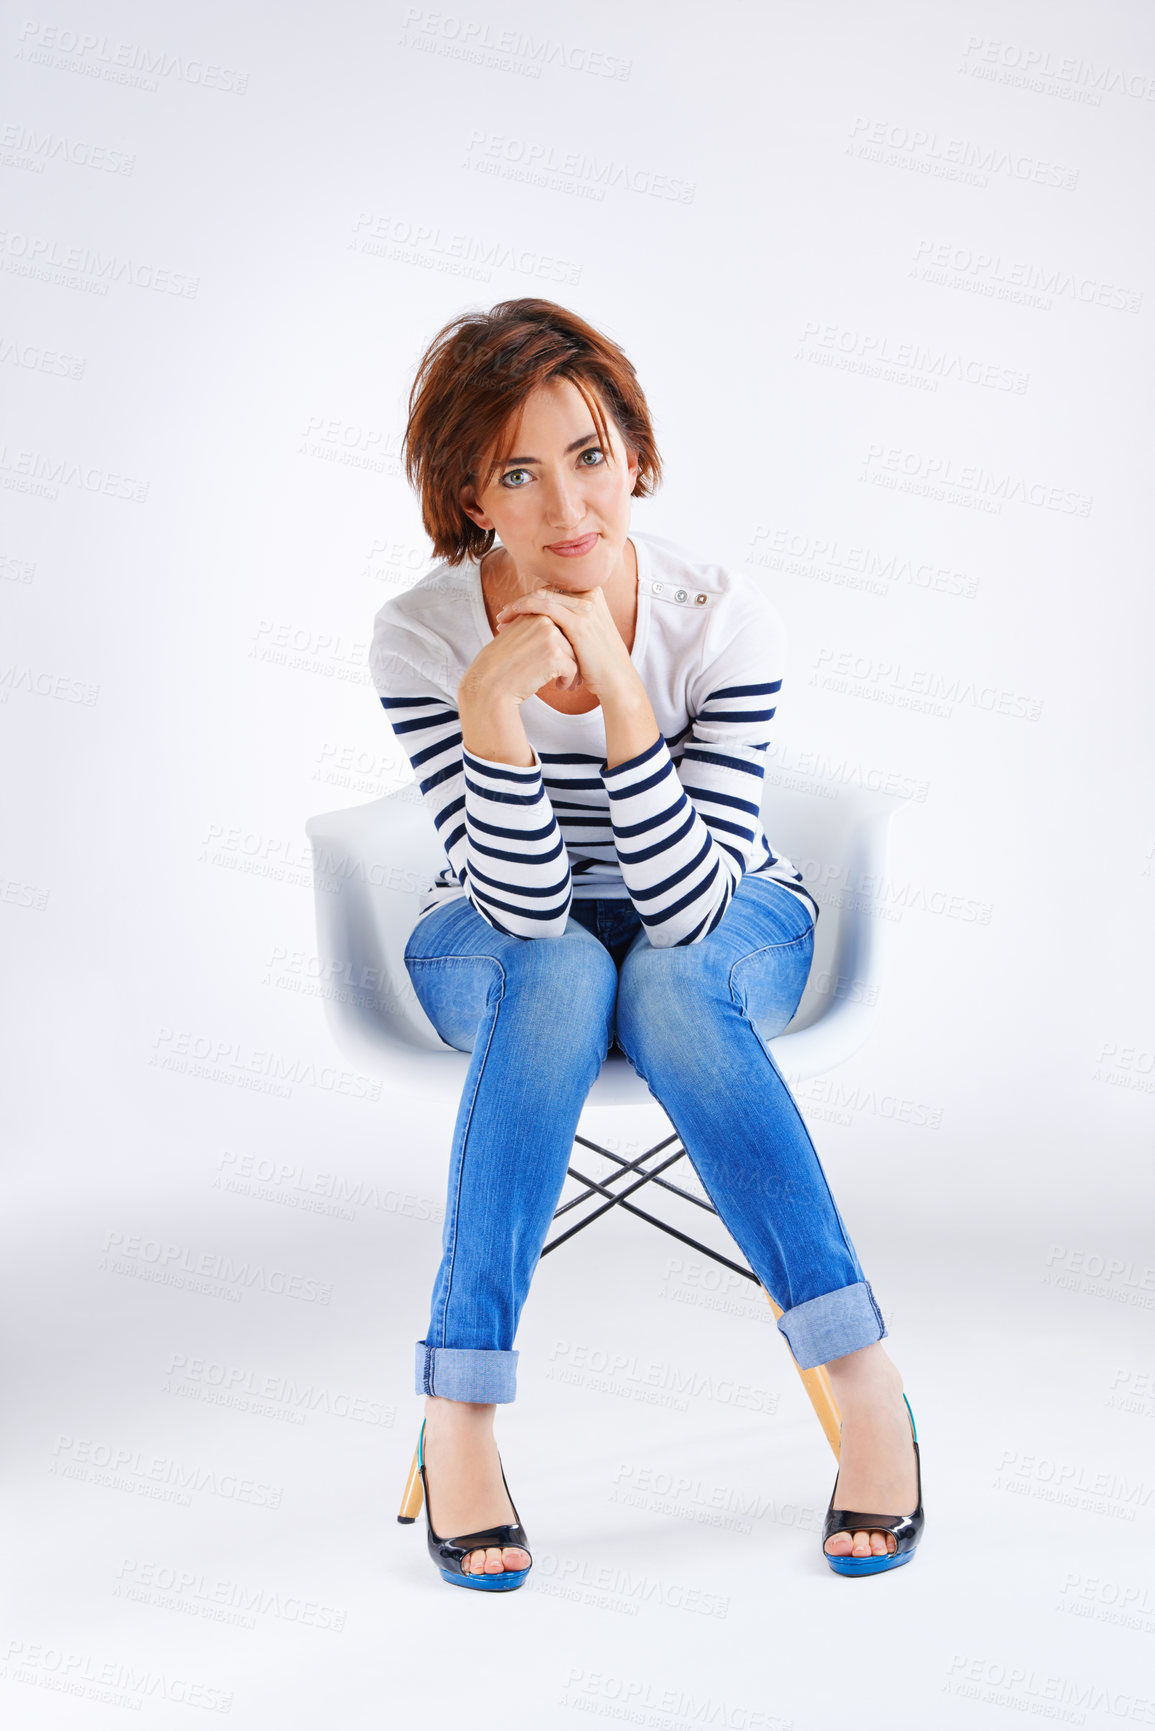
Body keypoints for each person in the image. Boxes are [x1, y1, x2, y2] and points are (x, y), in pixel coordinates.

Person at [370, 298, 924, 1590]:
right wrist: (489, 715)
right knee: (561, 967)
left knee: (670, 978)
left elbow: (689, 909)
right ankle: (463, 1414)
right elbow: (518, 911)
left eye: (592, 454)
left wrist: (621, 693)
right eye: (519, 470)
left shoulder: (720, 618)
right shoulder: (421, 633)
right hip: (506, 931)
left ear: (633, 453)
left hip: (729, 914)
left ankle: (864, 1378)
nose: (571, 504)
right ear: (470, 491)